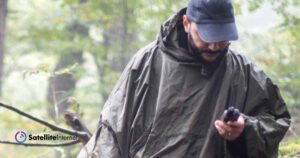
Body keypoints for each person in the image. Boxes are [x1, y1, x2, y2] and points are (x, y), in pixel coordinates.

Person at [78, 0, 291, 157]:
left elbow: (275, 121)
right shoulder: (146, 64)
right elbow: (111, 132)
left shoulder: (243, 73)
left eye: (222, 37)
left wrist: (244, 131)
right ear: (187, 23)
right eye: (207, 36)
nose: (215, 46)